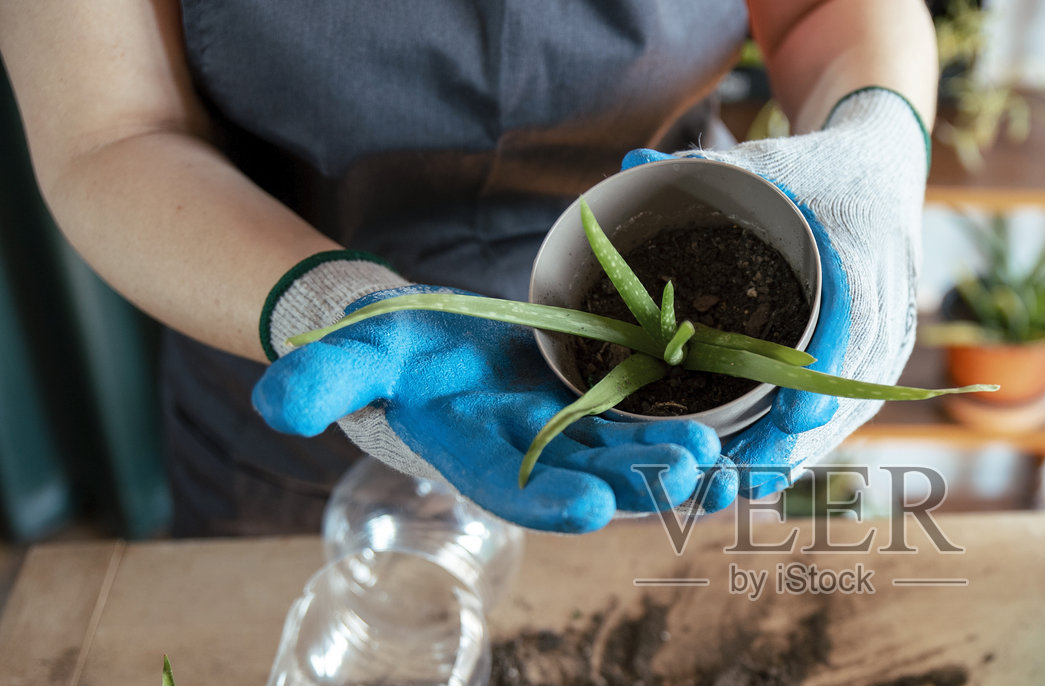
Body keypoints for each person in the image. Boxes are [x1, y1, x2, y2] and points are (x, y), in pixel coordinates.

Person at [0, 0, 936, 535]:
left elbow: (826, 10)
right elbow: (113, 130)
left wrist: (877, 152)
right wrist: (326, 304)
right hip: (303, 358)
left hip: (664, 407)